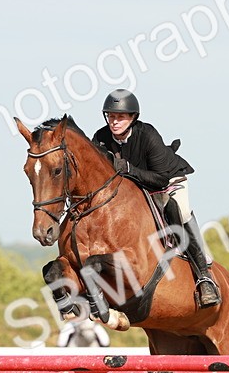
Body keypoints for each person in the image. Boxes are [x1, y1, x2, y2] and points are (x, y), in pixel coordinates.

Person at [93, 89, 220, 309]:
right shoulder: (100, 138)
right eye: (111, 116)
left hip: (167, 180)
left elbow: (161, 179)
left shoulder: (147, 134)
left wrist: (129, 169)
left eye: (120, 117)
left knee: (180, 210)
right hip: (133, 188)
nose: (114, 122)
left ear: (133, 117)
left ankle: (204, 276)